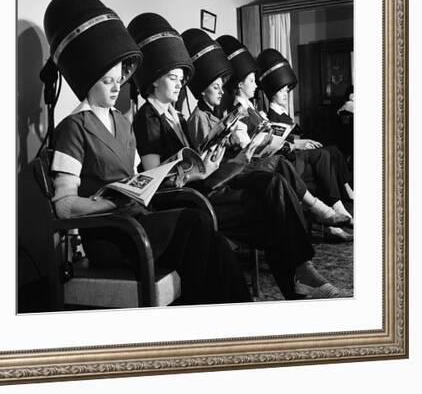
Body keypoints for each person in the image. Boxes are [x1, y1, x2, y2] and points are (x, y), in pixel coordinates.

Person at [43, 0, 252, 305]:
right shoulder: (73, 128)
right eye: (106, 82)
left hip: (140, 218)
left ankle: (236, 318)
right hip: (111, 234)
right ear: (87, 79)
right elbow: (64, 205)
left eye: (118, 80)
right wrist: (111, 205)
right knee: (195, 226)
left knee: (215, 242)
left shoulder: (124, 123)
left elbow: (139, 177)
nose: (116, 88)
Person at [129, 16, 344, 299]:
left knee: (273, 188)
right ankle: (300, 280)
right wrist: (195, 170)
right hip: (190, 198)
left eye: (182, 80)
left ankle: (301, 277)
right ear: (154, 81)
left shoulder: (176, 116)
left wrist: (211, 152)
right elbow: (154, 178)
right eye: (173, 78)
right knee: (271, 206)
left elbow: (193, 157)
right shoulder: (147, 118)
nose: (180, 85)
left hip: (205, 185)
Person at [217, 35, 352, 237]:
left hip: (274, 155)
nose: (256, 85)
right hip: (265, 161)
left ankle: (333, 211)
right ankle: (327, 213)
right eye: (252, 81)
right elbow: (249, 148)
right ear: (239, 85)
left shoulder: (252, 109)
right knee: (315, 157)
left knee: (323, 154)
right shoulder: (238, 111)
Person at [256, 48, 354, 241]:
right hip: (284, 156)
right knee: (324, 154)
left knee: (330, 150)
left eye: (286, 91)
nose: (286, 94)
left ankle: (339, 204)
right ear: (273, 92)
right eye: (282, 91)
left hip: (290, 150)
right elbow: (277, 140)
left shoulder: (280, 113)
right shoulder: (269, 115)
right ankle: (336, 208)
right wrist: (299, 143)